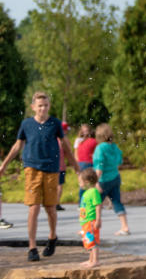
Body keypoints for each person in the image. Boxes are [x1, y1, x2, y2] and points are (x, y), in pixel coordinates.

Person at [0, 92, 77, 262]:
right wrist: (4, 165)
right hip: (31, 169)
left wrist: (76, 167)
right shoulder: (26, 124)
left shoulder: (55, 123)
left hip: (51, 168)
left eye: (46, 105)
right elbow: (17, 145)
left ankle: (52, 237)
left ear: (49, 106)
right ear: (33, 107)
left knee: (50, 208)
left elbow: (65, 147)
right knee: (33, 207)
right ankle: (32, 247)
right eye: (40, 106)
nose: (43, 108)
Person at [92, 124, 131, 237]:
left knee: (95, 203)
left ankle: (91, 227)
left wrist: (95, 182)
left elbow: (99, 167)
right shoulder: (114, 147)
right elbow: (119, 161)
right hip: (115, 177)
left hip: (103, 180)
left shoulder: (100, 148)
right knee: (117, 202)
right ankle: (125, 227)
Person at [77, 168, 102, 268]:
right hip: (86, 222)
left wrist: (98, 219)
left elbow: (98, 205)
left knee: (92, 241)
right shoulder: (87, 193)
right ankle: (91, 259)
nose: (79, 184)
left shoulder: (93, 192)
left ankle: (95, 261)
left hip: (91, 221)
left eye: (80, 182)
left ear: (86, 182)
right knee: (89, 241)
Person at [75, 124, 97, 202]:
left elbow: (76, 153)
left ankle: (81, 202)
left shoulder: (80, 142)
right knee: (91, 182)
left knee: (83, 183)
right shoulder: (94, 141)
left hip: (81, 163)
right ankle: (92, 201)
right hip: (88, 163)